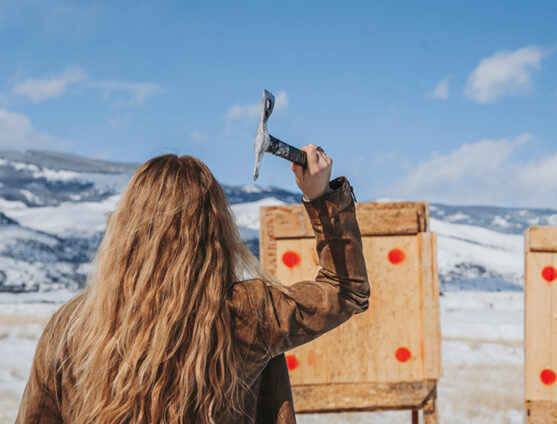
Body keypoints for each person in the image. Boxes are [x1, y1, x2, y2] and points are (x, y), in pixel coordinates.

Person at [15, 144, 370, 424]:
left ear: (126, 230)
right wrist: (321, 197)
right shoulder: (248, 312)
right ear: (216, 232)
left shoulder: (72, 325)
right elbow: (345, 289)